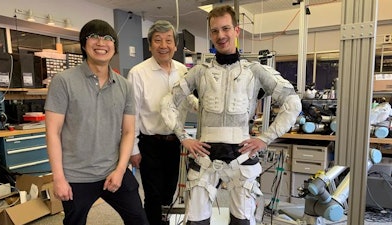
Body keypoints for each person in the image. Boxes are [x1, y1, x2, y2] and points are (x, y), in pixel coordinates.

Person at [160, 5, 302, 225]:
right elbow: (168, 103)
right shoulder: (199, 72)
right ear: (210, 34)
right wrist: (184, 137)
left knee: (242, 221)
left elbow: (293, 103)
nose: (220, 35)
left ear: (236, 31)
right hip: (204, 156)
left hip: (242, 157)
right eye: (215, 31)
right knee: (196, 221)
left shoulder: (255, 71)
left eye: (225, 29)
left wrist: (264, 139)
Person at [44, 19, 149, 225]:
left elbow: (128, 132)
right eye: (94, 36)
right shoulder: (63, 81)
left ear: (114, 47)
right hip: (76, 176)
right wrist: (58, 178)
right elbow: (52, 132)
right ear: (84, 44)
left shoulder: (124, 86)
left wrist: (120, 171)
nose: (101, 43)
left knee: (139, 219)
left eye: (108, 38)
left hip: (112, 170)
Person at [127, 20, 193, 225]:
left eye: (168, 40)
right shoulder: (138, 73)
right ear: (150, 45)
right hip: (150, 143)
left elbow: (189, 100)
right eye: (158, 40)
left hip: (175, 142)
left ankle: (162, 220)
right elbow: (132, 114)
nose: (163, 45)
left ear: (175, 45)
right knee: (153, 194)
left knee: (169, 191)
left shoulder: (183, 71)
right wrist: (133, 149)